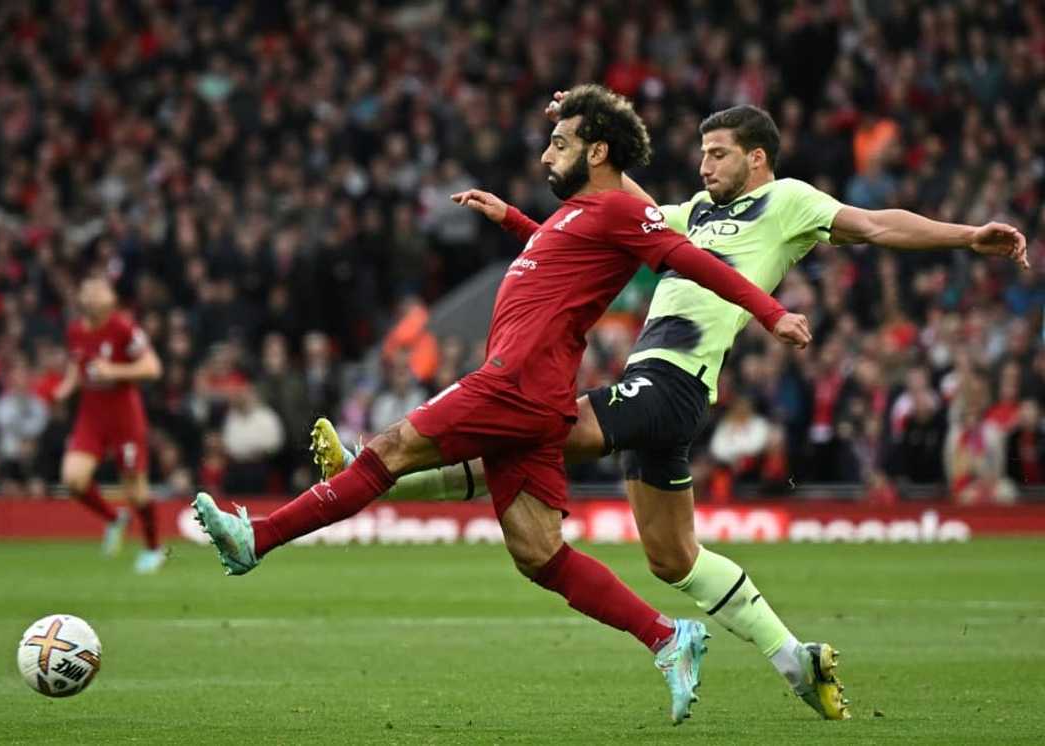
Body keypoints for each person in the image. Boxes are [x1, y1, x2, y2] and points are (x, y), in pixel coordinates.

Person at [310, 98, 1029, 721]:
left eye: (718, 154)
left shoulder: (789, 203)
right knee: (673, 558)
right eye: (701, 154)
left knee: (525, 428)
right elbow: (588, 232)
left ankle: (377, 469)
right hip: (661, 390)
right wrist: (527, 202)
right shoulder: (690, 213)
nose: (704, 166)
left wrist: (966, 237)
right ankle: (794, 660)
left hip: (670, 383)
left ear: (757, 157)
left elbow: (874, 225)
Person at [193, 84, 811, 725]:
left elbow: (695, 261)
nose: (548, 154)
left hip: (515, 383)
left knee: (390, 449)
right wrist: (512, 218)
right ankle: (667, 638)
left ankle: (256, 538)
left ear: (598, 151)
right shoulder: (578, 214)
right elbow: (561, 253)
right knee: (538, 552)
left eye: (561, 143)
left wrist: (771, 314)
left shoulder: (625, 214)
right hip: (535, 395)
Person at [54, 275, 166, 574]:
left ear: (111, 299)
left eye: (98, 289)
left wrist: (114, 370)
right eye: (87, 289)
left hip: (124, 416)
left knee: (136, 492)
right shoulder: (75, 331)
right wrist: (64, 389)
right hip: (91, 416)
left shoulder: (123, 329)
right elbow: (77, 366)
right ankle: (115, 518)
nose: (91, 294)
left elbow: (153, 367)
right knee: (73, 479)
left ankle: (154, 549)